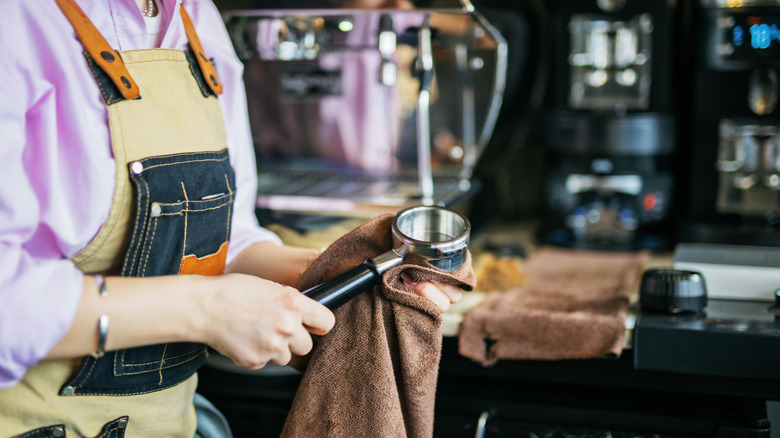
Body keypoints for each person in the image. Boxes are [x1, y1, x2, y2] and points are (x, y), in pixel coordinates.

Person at [0, 0, 462, 436]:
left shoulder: (198, 19)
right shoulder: (18, 20)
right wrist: (202, 310)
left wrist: (329, 269)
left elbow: (227, 239)